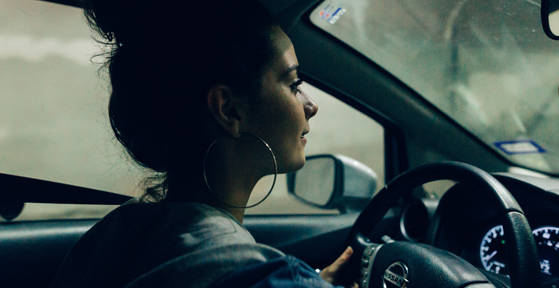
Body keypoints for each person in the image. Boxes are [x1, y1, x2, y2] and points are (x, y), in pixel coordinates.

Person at [50, 0, 357, 287]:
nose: (311, 105)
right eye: (293, 84)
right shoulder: (258, 274)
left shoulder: (108, 240)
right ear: (229, 109)